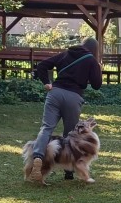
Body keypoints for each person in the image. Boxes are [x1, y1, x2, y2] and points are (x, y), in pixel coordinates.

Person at [28, 36, 103, 183]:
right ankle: (69, 171)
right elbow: (96, 85)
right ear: (95, 50)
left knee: (46, 128)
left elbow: (42, 65)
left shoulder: (66, 54)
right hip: (73, 97)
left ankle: (38, 156)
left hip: (54, 94)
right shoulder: (91, 60)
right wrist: (98, 69)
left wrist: (47, 83)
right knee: (70, 134)